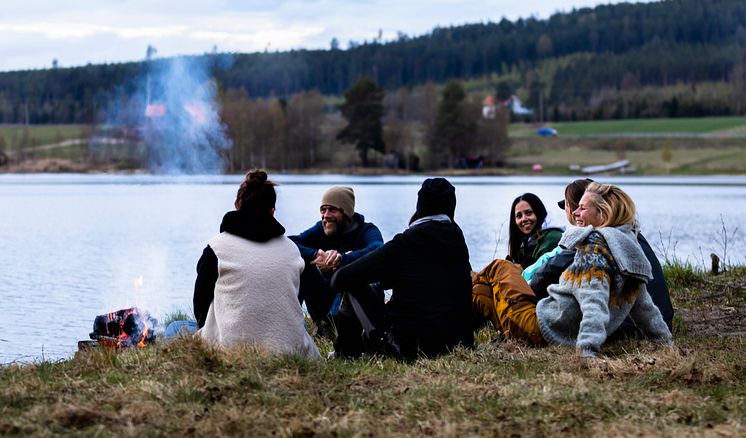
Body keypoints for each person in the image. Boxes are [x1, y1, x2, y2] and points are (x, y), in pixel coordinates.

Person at [480, 182, 673, 358]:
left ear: (603, 213)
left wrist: (587, 350)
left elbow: (593, 302)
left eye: (582, 208)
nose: (575, 213)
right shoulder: (627, 245)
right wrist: (665, 342)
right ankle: (463, 333)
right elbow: (643, 303)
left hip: (542, 328)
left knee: (499, 266)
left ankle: (459, 334)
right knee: (480, 291)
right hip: (553, 327)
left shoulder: (594, 249)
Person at [330, 178, 474, 360]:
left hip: (410, 349)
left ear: (420, 206)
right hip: (457, 344)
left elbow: (340, 279)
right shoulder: (459, 243)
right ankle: (354, 350)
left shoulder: (404, 243)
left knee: (353, 286)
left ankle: (346, 353)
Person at [189, 170, 320, 360]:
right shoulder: (292, 250)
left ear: (236, 205)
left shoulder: (216, 248)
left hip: (230, 353)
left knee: (174, 329)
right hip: (291, 353)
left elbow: (199, 307)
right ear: (272, 210)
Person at [528, 178, 674, 333]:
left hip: (625, 326)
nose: (573, 213)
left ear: (600, 210)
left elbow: (546, 273)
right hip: (660, 321)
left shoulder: (596, 240)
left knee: (501, 272)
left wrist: (529, 297)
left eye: (579, 207)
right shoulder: (631, 234)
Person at [289, 186, 384, 336]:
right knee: (302, 265)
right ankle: (294, 325)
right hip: (325, 301)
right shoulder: (320, 229)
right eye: (323, 210)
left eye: (332, 210)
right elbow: (290, 243)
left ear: (346, 212)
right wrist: (314, 254)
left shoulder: (367, 230)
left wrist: (342, 259)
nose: (326, 215)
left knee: (348, 274)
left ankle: (333, 326)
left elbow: (378, 249)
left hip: (355, 307)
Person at [507, 193, 564, 269]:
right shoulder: (527, 242)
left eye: (528, 213)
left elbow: (542, 277)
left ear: (539, 212)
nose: (524, 219)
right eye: (519, 216)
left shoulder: (552, 238)